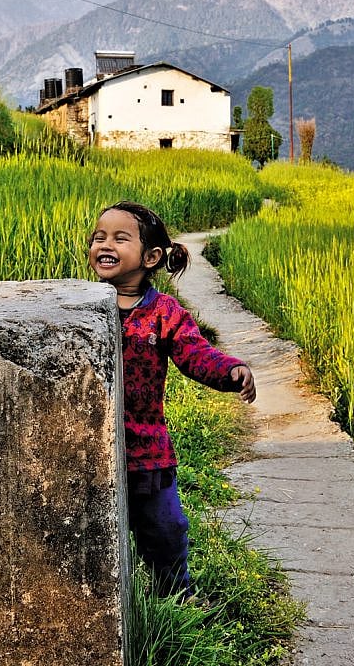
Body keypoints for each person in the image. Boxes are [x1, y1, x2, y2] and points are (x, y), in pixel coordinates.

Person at [88, 200, 256, 599]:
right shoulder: (80, 303)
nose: (104, 244)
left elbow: (196, 353)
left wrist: (230, 371)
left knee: (165, 528)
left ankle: (175, 594)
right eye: (99, 236)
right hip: (89, 445)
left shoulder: (164, 312)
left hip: (145, 448)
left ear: (151, 257)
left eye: (119, 238)